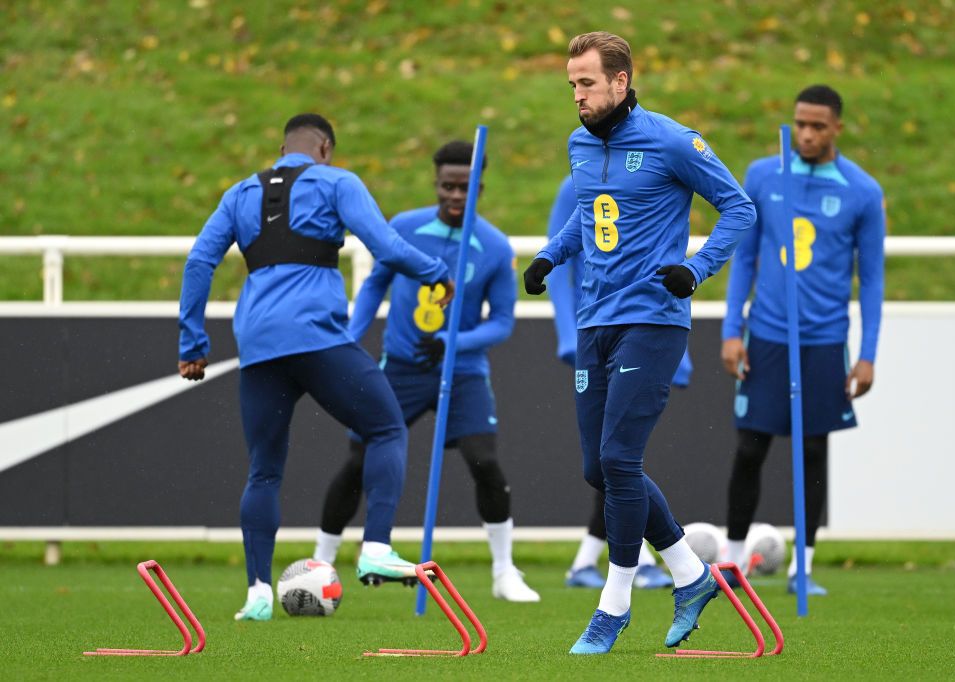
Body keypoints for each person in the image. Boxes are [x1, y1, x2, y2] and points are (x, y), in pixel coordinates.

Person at [523, 32, 756, 654]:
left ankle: (613, 605)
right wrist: (551, 256)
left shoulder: (672, 140)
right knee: (596, 468)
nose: (577, 95)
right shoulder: (580, 144)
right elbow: (588, 211)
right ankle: (690, 573)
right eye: (572, 84)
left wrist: (697, 268)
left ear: (621, 82)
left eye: (587, 83)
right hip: (594, 321)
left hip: (654, 318)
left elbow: (739, 208)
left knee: (620, 460)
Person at [177, 113, 454, 621]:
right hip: (316, 338)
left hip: (258, 345)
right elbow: (386, 246)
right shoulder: (337, 181)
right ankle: (375, 548)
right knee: (387, 427)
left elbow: (199, 262)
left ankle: (258, 591)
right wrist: (436, 272)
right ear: (325, 147)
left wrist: (192, 341)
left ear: (282, 147)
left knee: (263, 471)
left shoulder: (240, 193)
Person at [314, 141, 540, 602]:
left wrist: (452, 343)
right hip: (398, 370)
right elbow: (376, 283)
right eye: (447, 186)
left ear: (480, 186)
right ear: (435, 184)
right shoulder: (405, 227)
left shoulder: (495, 247)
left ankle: (504, 571)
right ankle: (323, 562)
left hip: (462, 371)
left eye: (465, 187)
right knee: (360, 461)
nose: (456, 195)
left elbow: (501, 321)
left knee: (486, 461)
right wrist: (349, 336)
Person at [720, 84, 885, 596]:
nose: (807, 134)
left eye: (818, 126)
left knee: (814, 450)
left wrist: (867, 355)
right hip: (767, 333)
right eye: (800, 124)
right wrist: (731, 330)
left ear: (837, 127)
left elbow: (873, 279)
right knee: (750, 448)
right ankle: (729, 563)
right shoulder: (763, 175)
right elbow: (744, 257)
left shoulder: (862, 191)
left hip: (824, 340)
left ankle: (804, 567)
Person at [548, 174, 688, 591]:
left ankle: (633, 563)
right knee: (606, 462)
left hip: (644, 331)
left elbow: (657, 261)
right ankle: (658, 563)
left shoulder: (654, 169)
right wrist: (565, 334)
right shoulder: (577, 180)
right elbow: (560, 259)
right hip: (594, 332)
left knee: (618, 458)